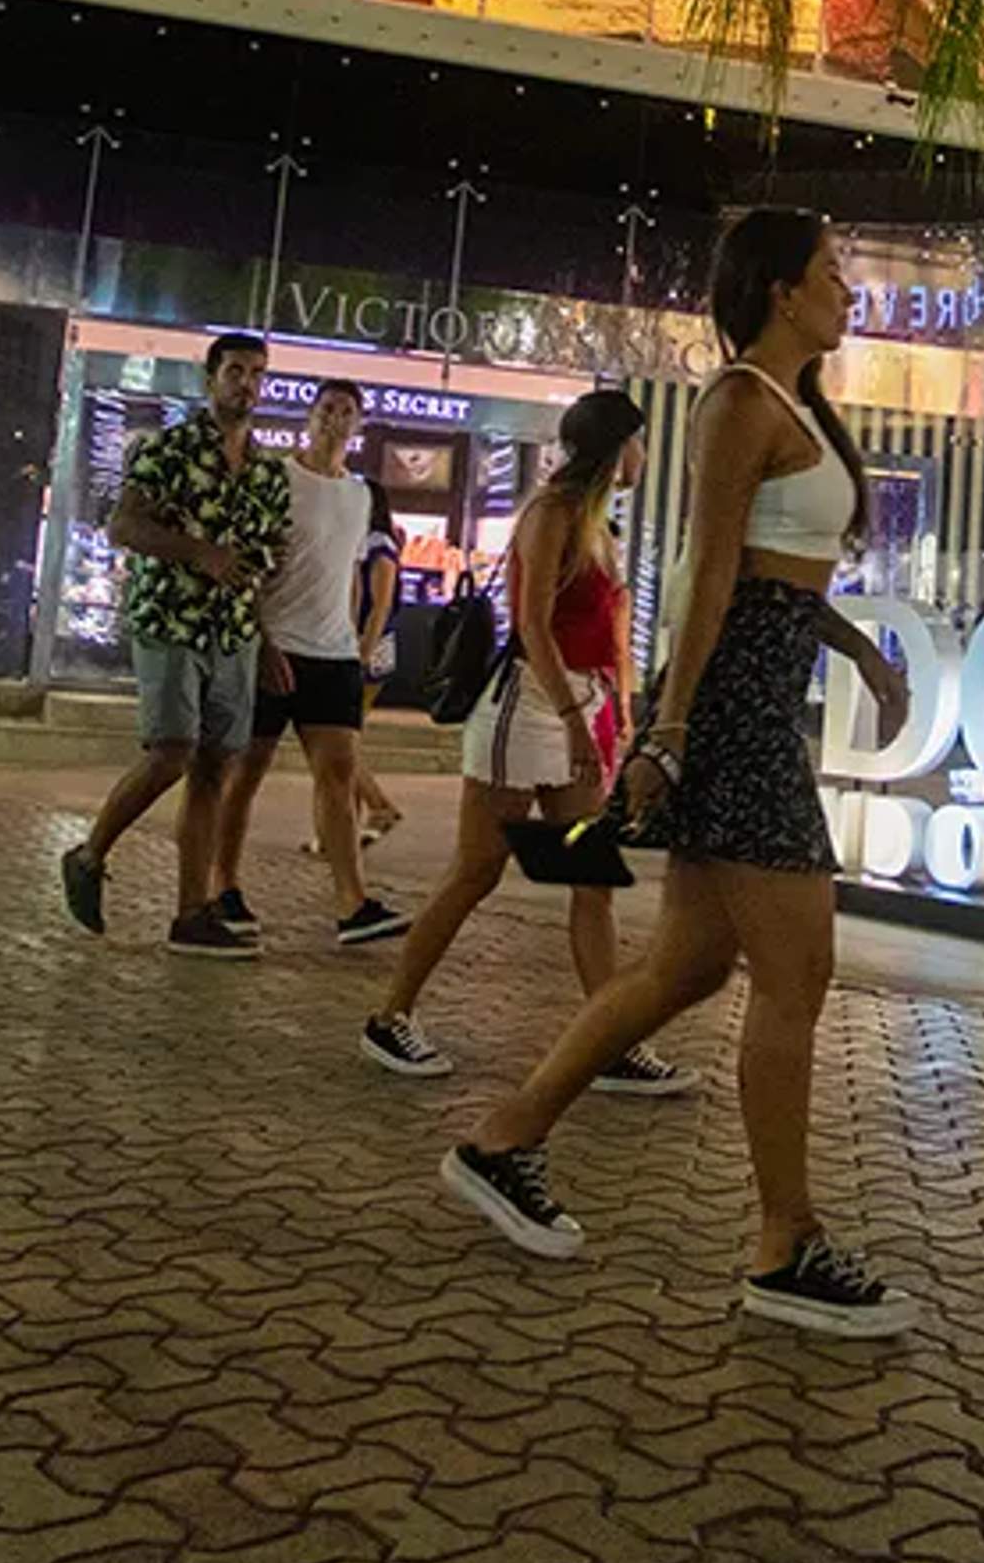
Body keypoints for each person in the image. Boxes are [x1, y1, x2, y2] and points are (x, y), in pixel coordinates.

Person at [441, 209, 917, 1340]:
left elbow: (782, 583)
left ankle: (504, 1140)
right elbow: (709, 573)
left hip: (759, 687)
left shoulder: (797, 405)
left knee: (687, 967)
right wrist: (673, 727)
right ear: (779, 289)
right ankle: (784, 1239)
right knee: (797, 971)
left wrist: (858, 656)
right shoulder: (739, 403)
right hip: (736, 710)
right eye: (833, 276)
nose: (850, 294)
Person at [364, 387, 696, 1081]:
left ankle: (607, 1042)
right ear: (615, 445)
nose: (643, 456)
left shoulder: (599, 524)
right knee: (477, 871)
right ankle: (390, 1016)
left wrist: (614, 711)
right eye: (637, 441)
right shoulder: (552, 513)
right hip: (528, 711)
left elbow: (604, 632)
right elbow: (532, 625)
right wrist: (579, 722)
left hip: (577, 706)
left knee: (590, 881)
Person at [59, 333, 292, 957]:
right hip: (170, 619)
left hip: (234, 632)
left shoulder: (269, 473)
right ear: (211, 377)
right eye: (235, 371)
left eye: (257, 374)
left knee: (217, 764)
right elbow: (124, 524)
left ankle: (193, 910)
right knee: (172, 751)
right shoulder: (169, 450)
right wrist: (200, 553)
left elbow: (261, 567)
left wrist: (266, 641)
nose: (246, 383)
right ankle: (89, 853)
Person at [224, 383, 409, 950]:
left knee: (337, 773)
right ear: (309, 417)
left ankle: (352, 901)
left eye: (347, 411)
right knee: (245, 774)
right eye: (327, 409)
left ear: (359, 425)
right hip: (276, 644)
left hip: (332, 653)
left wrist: (354, 642)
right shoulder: (277, 478)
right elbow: (247, 562)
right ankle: (222, 885)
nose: (335, 419)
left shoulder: (358, 496)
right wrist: (258, 639)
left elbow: (354, 575)